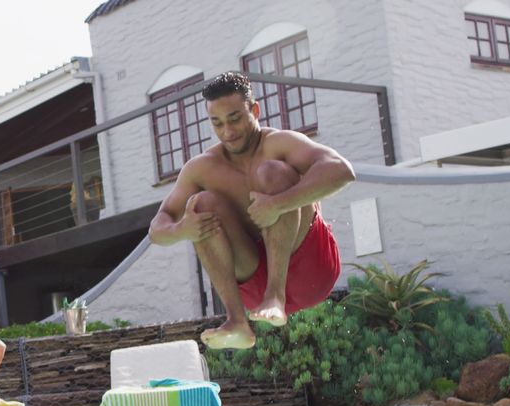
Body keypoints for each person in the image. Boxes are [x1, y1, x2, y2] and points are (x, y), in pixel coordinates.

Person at [149, 71, 355, 350]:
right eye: (217, 123)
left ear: (255, 111)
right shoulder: (202, 168)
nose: (228, 132)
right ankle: (236, 322)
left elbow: (341, 170)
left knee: (271, 172)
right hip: (253, 279)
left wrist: (277, 204)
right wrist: (181, 230)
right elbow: (157, 229)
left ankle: (276, 296)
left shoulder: (279, 143)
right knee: (202, 204)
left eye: (235, 118)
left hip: (310, 270)